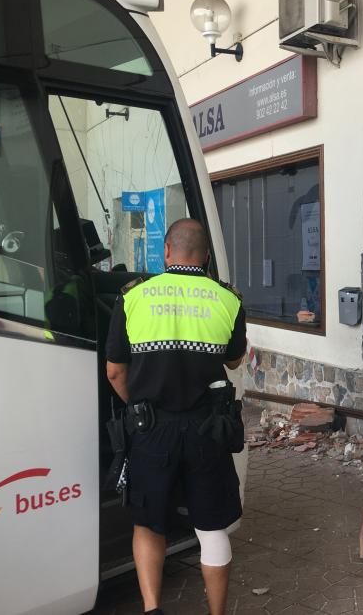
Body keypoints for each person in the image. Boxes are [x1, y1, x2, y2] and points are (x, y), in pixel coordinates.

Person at [105, 218, 247, 615]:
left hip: (152, 431)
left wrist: (140, 408)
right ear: (205, 256)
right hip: (209, 430)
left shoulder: (133, 297)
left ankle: (152, 609)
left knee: (149, 523)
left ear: (166, 251)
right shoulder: (228, 299)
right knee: (211, 525)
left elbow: (115, 370)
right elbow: (234, 358)